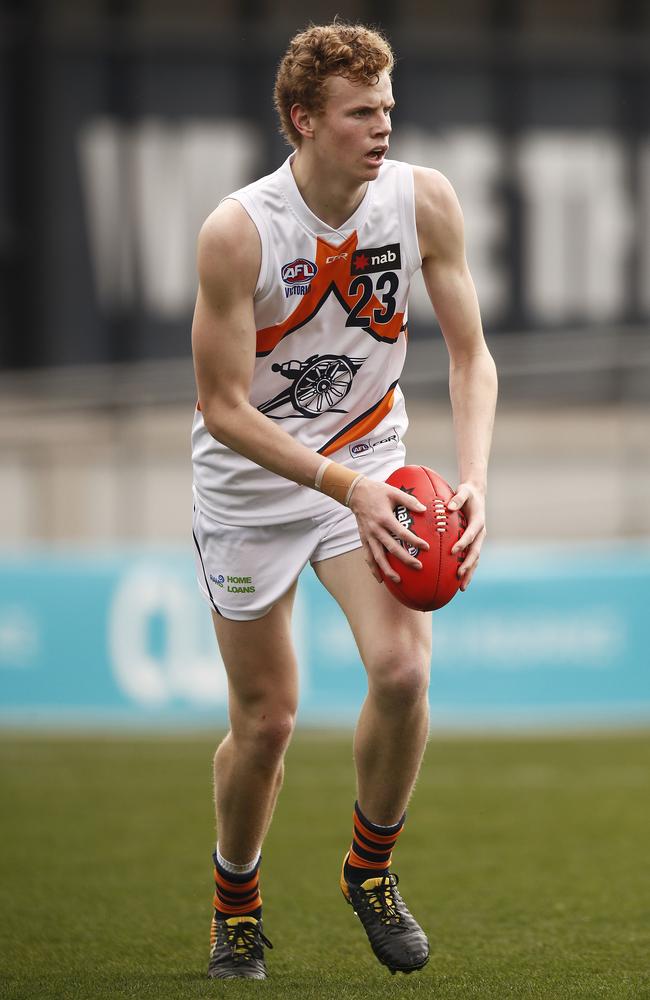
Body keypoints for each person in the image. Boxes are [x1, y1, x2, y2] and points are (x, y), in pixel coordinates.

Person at [191, 21, 497, 980]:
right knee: (267, 720)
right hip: (253, 485)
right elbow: (223, 409)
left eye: (388, 109)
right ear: (302, 120)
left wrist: (473, 479)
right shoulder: (239, 231)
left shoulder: (423, 202)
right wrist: (346, 485)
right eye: (361, 112)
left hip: (368, 452)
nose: (382, 129)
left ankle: (370, 868)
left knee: (404, 671)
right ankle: (234, 901)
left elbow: (471, 356)